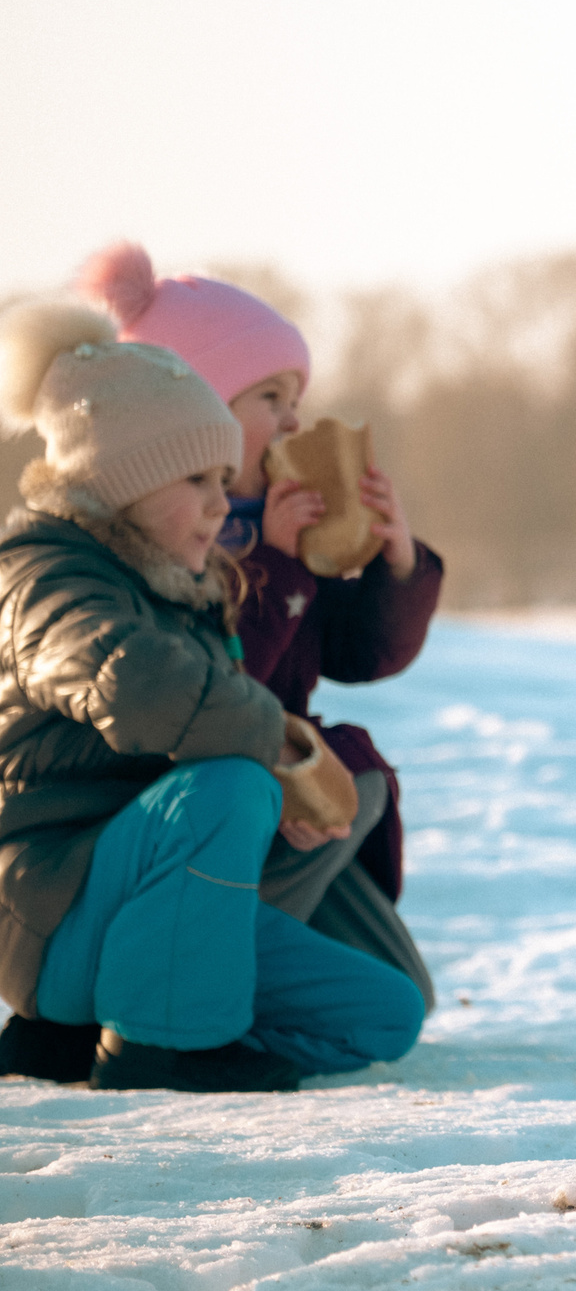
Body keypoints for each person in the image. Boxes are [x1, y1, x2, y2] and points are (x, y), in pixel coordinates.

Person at [0, 301, 424, 1090]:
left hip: (134, 909)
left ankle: (88, 1033)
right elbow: (131, 685)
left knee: (387, 1011)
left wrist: (285, 796)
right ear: (122, 478)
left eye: (224, 480)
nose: (220, 503)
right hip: (50, 905)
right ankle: (156, 1045)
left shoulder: (181, 589)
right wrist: (273, 748)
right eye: (196, 479)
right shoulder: (45, 576)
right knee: (230, 781)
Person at [75, 244, 439, 1009]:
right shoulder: (171, 540)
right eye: (269, 397)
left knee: (405, 990)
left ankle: (272, 966)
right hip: (215, 800)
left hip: (289, 791)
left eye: (295, 397)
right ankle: (210, 967)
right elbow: (216, 682)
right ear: (195, 411)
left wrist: (394, 563)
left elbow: (358, 651)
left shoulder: (279, 525)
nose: (292, 421)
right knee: (354, 780)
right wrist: (273, 562)